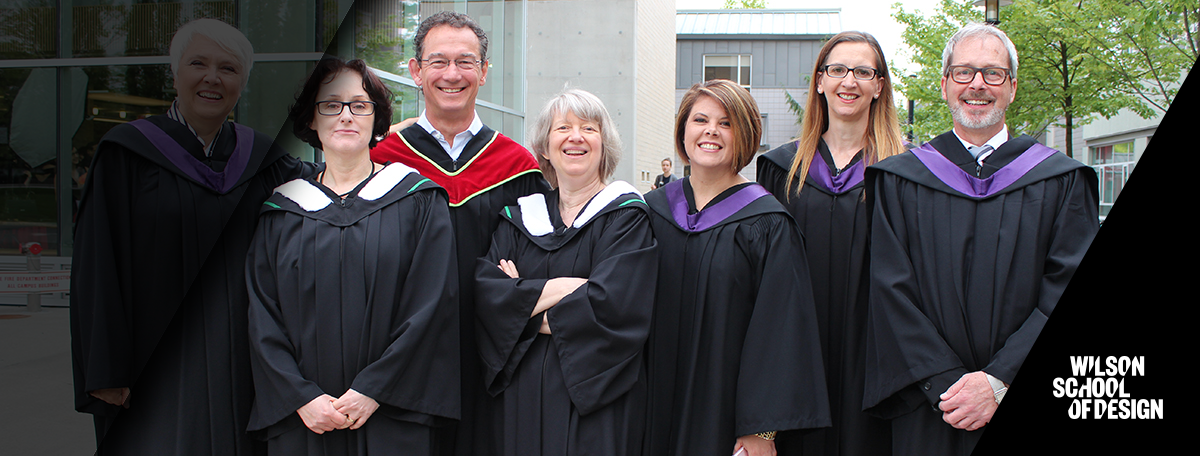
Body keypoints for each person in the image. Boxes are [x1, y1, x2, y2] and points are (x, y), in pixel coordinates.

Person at [69, 18, 312, 455]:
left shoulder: (264, 159)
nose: (212, 78)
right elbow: (96, 266)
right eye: (199, 63)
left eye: (229, 68)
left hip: (242, 357)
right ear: (175, 73)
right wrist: (105, 371)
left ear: (242, 82)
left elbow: (336, 184)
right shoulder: (127, 153)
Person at [862, 23, 1100, 456]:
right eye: (964, 72)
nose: (977, 85)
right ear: (945, 85)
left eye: (993, 73)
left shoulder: (1061, 179)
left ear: (1011, 87)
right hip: (928, 402)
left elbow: (1065, 285)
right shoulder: (899, 179)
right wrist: (943, 381)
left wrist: (999, 379)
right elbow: (888, 290)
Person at [244, 57, 459, 455]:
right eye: (331, 104)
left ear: (376, 120)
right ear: (311, 118)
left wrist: (373, 389)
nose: (346, 116)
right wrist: (299, 397)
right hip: (304, 419)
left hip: (391, 414)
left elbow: (431, 307)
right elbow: (262, 314)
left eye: (360, 105)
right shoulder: (280, 211)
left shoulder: (419, 200)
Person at [369, 12, 550, 454]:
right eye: (438, 61)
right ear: (416, 71)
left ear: (484, 72)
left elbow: (545, 252)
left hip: (491, 354)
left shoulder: (518, 166)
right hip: (400, 356)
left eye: (466, 62)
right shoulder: (381, 162)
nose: (452, 74)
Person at [643, 79, 830, 456]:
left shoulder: (768, 222)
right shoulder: (651, 211)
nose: (711, 131)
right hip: (648, 402)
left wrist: (762, 430)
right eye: (700, 120)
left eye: (726, 123)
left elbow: (780, 333)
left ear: (744, 135)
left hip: (724, 412)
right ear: (683, 130)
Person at [474, 88, 657, 456]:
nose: (576, 137)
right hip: (521, 396)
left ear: (604, 145)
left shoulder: (626, 218)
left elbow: (614, 306)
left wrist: (523, 298)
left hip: (596, 401)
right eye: (563, 128)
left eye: (589, 128)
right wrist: (570, 289)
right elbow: (488, 297)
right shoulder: (519, 218)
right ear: (545, 146)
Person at [755, 31, 904, 456]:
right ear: (819, 81)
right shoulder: (779, 169)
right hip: (795, 359)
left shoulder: (902, 174)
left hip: (873, 364)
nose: (848, 81)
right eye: (837, 70)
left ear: (879, 86)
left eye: (863, 71)